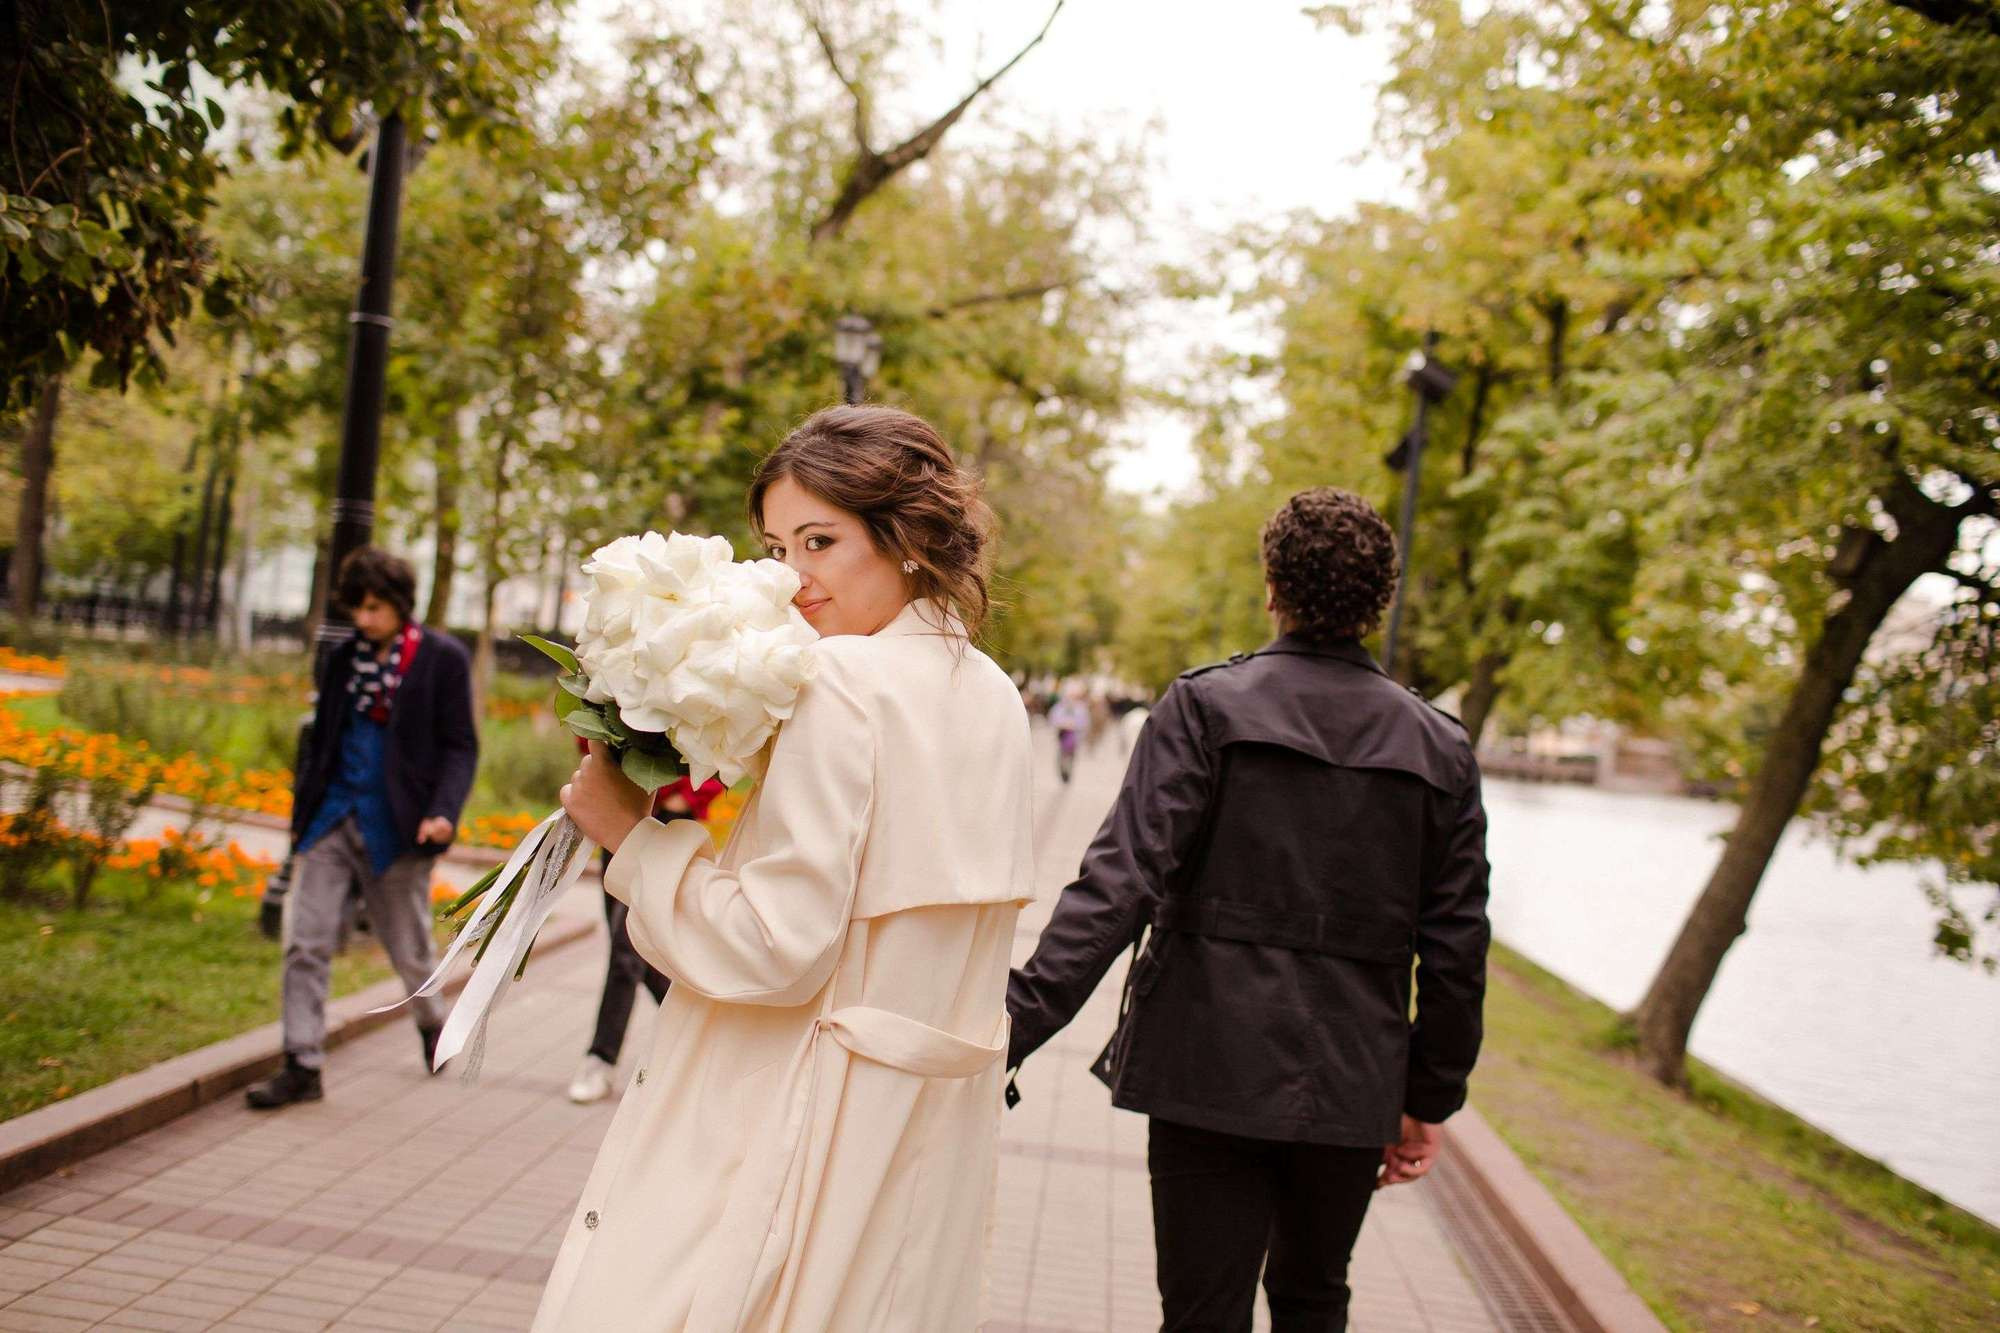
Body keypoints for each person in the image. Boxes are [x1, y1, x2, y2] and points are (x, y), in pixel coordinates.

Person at [537, 405, 1035, 1331]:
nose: (792, 578)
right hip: (921, 1145)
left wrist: (633, 837)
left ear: (910, 541)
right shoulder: (995, 694)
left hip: (793, 1116)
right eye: (775, 545)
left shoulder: (843, 682)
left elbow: (776, 947)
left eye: (821, 540)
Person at [1006, 487, 1491, 1332]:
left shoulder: (1204, 706)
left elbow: (1119, 882)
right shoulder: (1440, 747)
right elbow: (1456, 949)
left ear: (1272, 588)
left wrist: (1014, 1023)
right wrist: (1428, 1097)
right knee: (1313, 1298)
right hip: (1351, 1078)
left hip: (1205, 1065)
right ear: (1378, 604)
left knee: (1200, 1312)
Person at [247, 546, 480, 1110]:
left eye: (376, 607)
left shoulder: (442, 658)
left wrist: (443, 811)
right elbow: (323, 739)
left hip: (399, 829)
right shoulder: (342, 658)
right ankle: (302, 1063)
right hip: (331, 820)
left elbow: (460, 746)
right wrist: (304, 809)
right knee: (306, 942)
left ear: (401, 605)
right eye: (358, 607)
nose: (365, 618)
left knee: (409, 949)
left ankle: (431, 1021)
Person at [566, 771, 726, 1105]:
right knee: (635, 951)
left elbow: (726, 751)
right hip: (622, 817)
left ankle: (601, 1058)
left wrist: (693, 794)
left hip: (670, 825)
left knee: (626, 951)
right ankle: (704, 1043)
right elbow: (590, 734)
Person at [1048, 684, 1090, 784]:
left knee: (1071, 758)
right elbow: (1053, 719)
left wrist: (1074, 725)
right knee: (1061, 758)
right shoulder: (1059, 707)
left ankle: (1068, 773)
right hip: (1062, 737)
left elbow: (1084, 723)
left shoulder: (1081, 708)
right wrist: (1063, 724)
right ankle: (1063, 773)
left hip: (1074, 739)